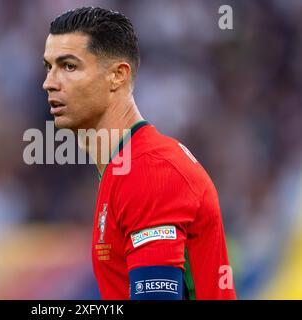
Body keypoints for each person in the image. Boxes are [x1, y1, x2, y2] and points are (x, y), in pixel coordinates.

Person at [42, 6, 236, 300]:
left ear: (117, 76)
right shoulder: (123, 167)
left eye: (69, 66)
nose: (50, 83)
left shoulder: (150, 171)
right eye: (49, 67)